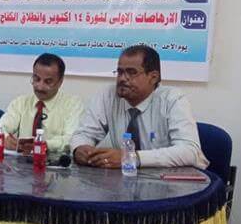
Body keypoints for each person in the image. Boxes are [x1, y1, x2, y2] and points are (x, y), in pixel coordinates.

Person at [70, 45, 208, 169]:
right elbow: (84, 133)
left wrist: (131, 157)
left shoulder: (172, 99)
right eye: (120, 72)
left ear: (153, 77)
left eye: (131, 72)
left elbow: (189, 151)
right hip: (123, 180)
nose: (122, 78)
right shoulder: (108, 95)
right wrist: (79, 148)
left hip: (167, 180)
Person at [0, 53, 83, 155]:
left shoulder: (73, 105)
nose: (40, 87)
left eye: (48, 82)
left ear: (60, 82)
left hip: (55, 162)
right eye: (36, 79)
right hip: (23, 161)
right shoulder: (21, 103)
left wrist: (44, 145)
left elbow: (72, 139)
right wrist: (5, 138)